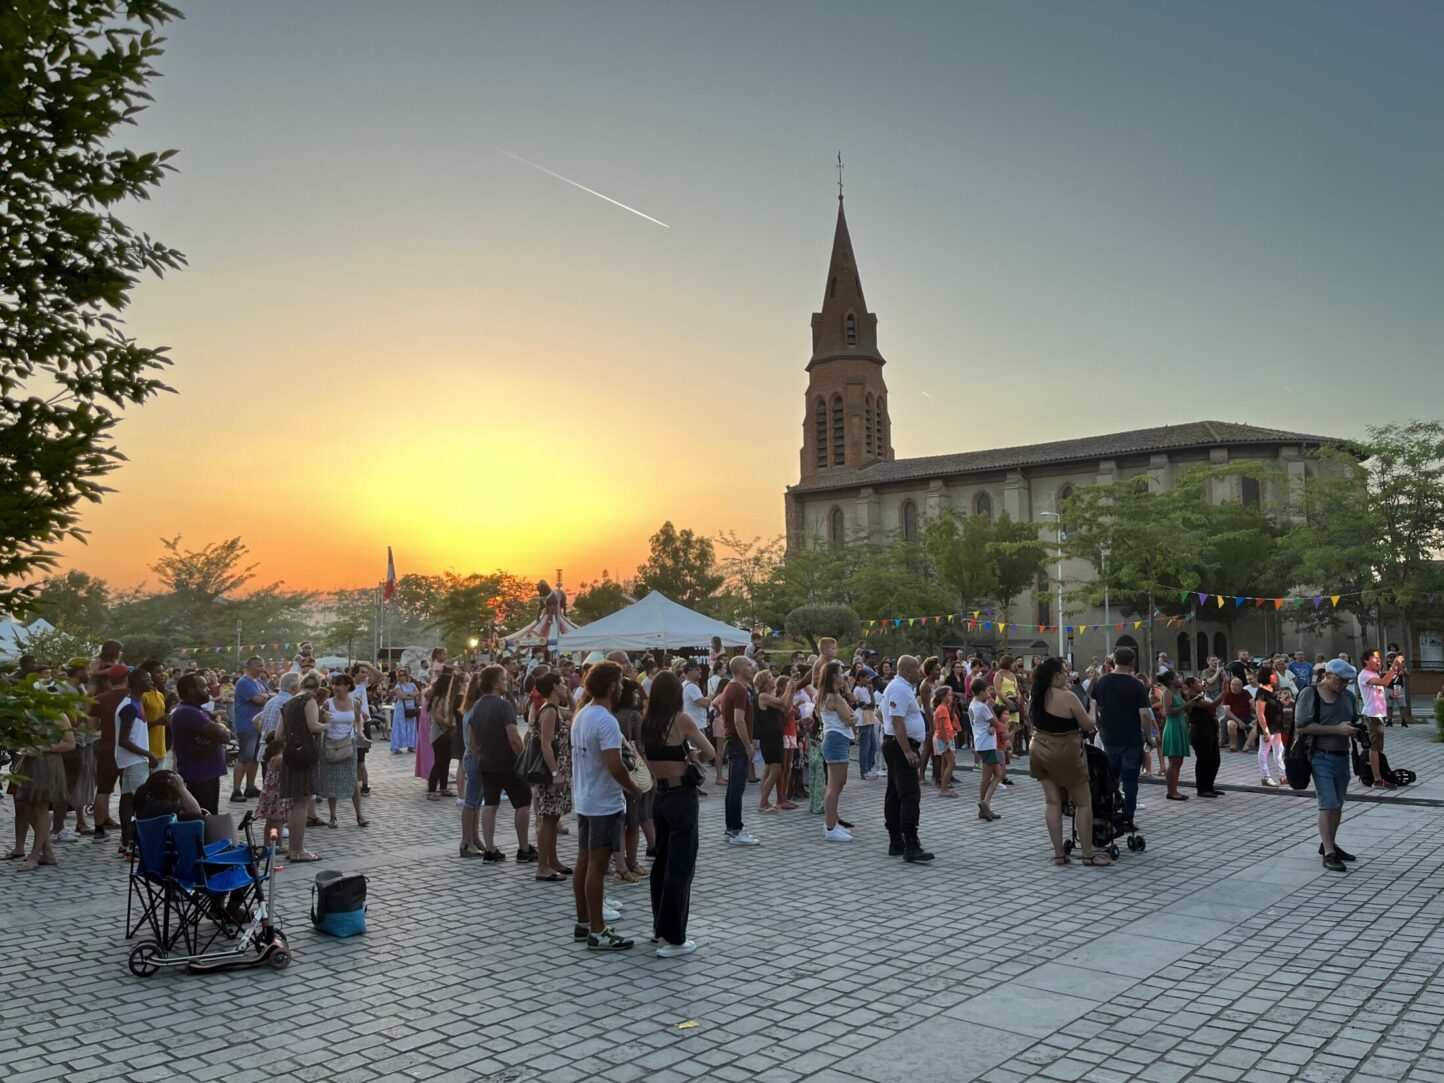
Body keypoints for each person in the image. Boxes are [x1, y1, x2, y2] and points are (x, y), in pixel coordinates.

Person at [570, 661, 645, 950]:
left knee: (584, 862)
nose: (624, 686)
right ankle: (599, 931)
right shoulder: (605, 720)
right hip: (604, 802)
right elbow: (615, 765)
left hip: (586, 799)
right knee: (597, 868)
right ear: (612, 686)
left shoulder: (583, 715)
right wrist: (634, 789)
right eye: (621, 682)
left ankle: (583, 923)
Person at [642, 670, 715, 958]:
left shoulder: (647, 722)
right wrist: (692, 755)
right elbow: (709, 750)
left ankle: (660, 926)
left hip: (659, 796)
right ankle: (674, 936)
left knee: (661, 864)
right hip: (681, 795)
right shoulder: (680, 720)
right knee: (680, 866)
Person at [1028, 657, 1112, 866]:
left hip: (1039, 747)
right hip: (1065, 750)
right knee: (1083, 802)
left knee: (1052, 802)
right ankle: (1088, 854)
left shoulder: (1036, 695)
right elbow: (1088, 725)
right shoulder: (1068, 697)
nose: (1068, 676)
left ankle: (1059, 853)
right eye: (1065, 672)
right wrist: (1092, 706)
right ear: (1056, 676)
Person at [1296, 659, 1364, 871]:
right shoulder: (1310, 694)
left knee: (1338, 803)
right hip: (1319, 755)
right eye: (1339, 680)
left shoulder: (1349, 697)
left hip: (1342, 756)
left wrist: (1360, 732)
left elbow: (1353, 721)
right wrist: (1337, 729)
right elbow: (1302, 726)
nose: (1342, 685)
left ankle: (1329, 843)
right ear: (1326, 674)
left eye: (1346, 682)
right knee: (1328, 802)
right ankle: (1329, 853)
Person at [463, 665, 533, 862]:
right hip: (508, 763)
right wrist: (524, 760)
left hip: (487, 763)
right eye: (504, 679)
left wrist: (481, 757)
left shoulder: (476, 705)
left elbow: (472, 740)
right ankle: (524, 848)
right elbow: (514, 738)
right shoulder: (504, 706)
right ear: (494, 684)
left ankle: (490, 849)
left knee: (490, 804)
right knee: (523, 802)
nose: (507, 682)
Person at [1090, 647, 1153, 830]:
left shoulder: (1102, 682)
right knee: (1131, 780)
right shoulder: (1136, 685)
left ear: (1114, 660)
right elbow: (1144, 714)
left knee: (1111, 779)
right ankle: (1128, 818)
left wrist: (1099, 726)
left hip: (1109, 737)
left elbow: (1094, 704)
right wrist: (1149, 736)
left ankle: (1107, 814)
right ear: (1132, 662)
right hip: (1131, 738)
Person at [8, 703, 75, 870]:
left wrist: (41, 748)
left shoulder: (58, 715)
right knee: (27, 808)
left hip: (47, 764)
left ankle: (34, 855)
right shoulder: (25, 713)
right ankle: (48, 853)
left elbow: (69, 743)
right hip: (28, 764)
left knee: (40, 809)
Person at [881, 655, 932, 863]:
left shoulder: (900, 687)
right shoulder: (899, 689)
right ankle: (910, 843)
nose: (920, 673)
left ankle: (896, 842)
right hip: (901, 746)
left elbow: (882, 713)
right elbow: (897, 721)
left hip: (895, 743)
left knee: (894, 792)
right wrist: (907, 751)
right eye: (917, 670)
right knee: (909, 794)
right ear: (908, 670)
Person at [278, 672, 327, 862]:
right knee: (301, 805)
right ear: (318, 686)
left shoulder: (289, 703)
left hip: (290, 755)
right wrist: (327, 724)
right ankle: (298, 850)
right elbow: (313, 726)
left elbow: (278, 736)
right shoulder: (309, 700)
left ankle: (293, 849)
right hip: (306, 755)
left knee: (294, 805)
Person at [529, 673, 573, 880]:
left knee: (554, 817)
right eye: (563, 683)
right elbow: (546, 745)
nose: (566, 686)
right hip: (551, 772)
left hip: (559, 770)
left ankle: (553, 860)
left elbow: (575, 711)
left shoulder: (554, 709)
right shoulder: (549, 711)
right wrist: (555, 774)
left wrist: (570, 694)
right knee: (547, 819)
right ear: (555, 686)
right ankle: (542, 867)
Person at [171, 672, 231, 815]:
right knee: (203, 816)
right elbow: (223, 734)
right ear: (191, 690)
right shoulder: (188, 711)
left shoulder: (198, 710)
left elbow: (225, 730)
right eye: (203, 686)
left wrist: (217, 731)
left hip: (207, 773)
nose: (208, 689)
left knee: (210, 815)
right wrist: (218, 734)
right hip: (199, 774)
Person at [115, 667, 160, 855]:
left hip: (134, 760)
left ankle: (127, 841)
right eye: (147, 679)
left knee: (127, 800)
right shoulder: (129, 706)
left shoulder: (136, 702)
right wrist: (148, 754)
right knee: (138, 802)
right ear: (135, 683)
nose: (151, 682)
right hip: (134, 761)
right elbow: (123, 740)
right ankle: (133, 843)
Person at [717, 655, 760, 846]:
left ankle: (731, 828)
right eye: (749, 665)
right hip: (737, 743)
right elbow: (738, 720)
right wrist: (748, 745)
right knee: (737, 787)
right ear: (740, 668)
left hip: (733, 741)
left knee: (733, 788)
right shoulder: (739, 690)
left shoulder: (731, 688)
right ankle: (736, 830)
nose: (752, 668)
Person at [88, 664, 129, 844]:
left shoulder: (100, 698)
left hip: (106, 747)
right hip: (128, 749)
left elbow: (92, 726)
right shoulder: (132, 697)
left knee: (103, 790)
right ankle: (127, 833)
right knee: (127, 791)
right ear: (127, 679)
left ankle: (98, 830)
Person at [817, 660, 857, 840]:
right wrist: (852, 713)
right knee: (835, 786)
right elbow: (850, 719)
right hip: (836, 739)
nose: (843, 676)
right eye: (841, 673)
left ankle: (831, 823)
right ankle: (831, 828)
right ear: (833, 675)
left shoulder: (829, 695)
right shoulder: (834, 697)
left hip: (834, 739)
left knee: (834, 785)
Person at [230, 655, 270, 803]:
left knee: (255, 758)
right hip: (246, 725)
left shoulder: (259, 682)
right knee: (244, 758)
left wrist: (265, 695)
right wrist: (266, 695)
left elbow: (271, 694)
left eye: (262, 665)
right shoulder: (244, 682)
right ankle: (236, 790)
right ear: (250, 666)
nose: (262, 669)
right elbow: (258, 699)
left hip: (259, 725)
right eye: (259, 666)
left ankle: (250, 787)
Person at [1356, 650, 1397, 788]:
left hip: (1378, 714)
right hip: (1372, 715)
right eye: (1375, 659)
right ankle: (1378, 780)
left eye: (1379, 659)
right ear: (1366, 661)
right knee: (1375, 747)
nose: (1379, 661)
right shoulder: (1364, 675)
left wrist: (1391, 697)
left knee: (1377, 747)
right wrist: (1394, 667)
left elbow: (1377, 693)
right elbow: (1385, 682)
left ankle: (1379, 775)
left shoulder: (1374, 674)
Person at [753, 671, 787, 814]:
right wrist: (790, 688)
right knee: (775, 770)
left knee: (768, 770)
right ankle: (762, 803)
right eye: (770, 678)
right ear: (764, 682)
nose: (773, 680)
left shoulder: (764, 696)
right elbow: (783, 703)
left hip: (770, 736)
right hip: (771, 736)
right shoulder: (764, 696)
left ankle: (764, 800)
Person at [969, 679, 1003, 821]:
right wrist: (990, 708)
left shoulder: (973, 704)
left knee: (997, 774)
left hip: (982, 743)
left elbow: (991, 725)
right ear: (981, 692)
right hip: (986, 744)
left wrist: (992, 726)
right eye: (988, 691)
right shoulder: (982, 707)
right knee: (990, 776)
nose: (989, 693)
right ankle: (985, 803)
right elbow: (997, 723)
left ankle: (985, 807)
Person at [1184, 677, 1224, 798]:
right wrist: (1224, 692)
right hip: (1200, 729)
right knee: (1204, 759)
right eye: (1197, 682)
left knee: (1214, 759)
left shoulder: (1201, 694)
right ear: (1191, 684)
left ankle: (1209, 786)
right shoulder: (1192, 697)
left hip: (1209, 728)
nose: (1201, 683)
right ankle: (1202, 788)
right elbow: (1211, 706)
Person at [1157, 670, 1190, 802]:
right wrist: (1186, 705)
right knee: (1174, 762)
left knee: (1179, 761)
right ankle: (1171, 791)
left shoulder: (1176, 693)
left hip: (1179, 727)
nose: (1180, 680)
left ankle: (1175, 789)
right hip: (1173, 728)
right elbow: (1167, 712)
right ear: (1171, 681)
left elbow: (1185, 707)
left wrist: (1187, 698)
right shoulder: (1167, 693)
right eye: (1178, 678)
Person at [425, 672, 456, 800]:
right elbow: (438, 717)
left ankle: (443, 787)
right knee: (439, 762)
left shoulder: (444, 697)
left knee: (446, 761)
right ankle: (431, 790)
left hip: (446, 733)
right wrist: (450, 725)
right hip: (439, 734)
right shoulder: (438, 698)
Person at [1254, 666, 1286, 788]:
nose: (1276, 676)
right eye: (1273, 674)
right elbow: (1260, 713)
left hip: (1276, 726)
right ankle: (1265, 777)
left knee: (1279, 751)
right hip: (1268, 727)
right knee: (1264, 751)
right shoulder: (1261, 692)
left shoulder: (1271, 690)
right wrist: (1265, 731)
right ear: (1266, 676)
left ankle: (1283, 776)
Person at [931, 685, 959, 799]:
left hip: (944, 737)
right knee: (951, 763)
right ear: (943, 697)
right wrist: (947, 742)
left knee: (945, 763)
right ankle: (944, 789)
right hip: (944, 738)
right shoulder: (942, 709)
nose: (951, 696)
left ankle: (944, 786)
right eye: (949, 695)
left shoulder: (943, 707)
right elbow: (942, 727)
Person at [854, 666, 879, 780]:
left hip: (869, 716)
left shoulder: (865, 689)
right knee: (865, 746)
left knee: (873, 745)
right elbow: (870, 704)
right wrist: (871, 693)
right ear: (860, 678)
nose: (868, 680)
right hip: (863, 718)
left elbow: (869, 705)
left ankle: (869, 768)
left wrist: (870, 693)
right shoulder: (858, 690)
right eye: (866, 677)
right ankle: (864, 771)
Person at [390, 667, 420, 753]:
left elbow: (417, 692)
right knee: (400, 727)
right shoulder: (397, 686)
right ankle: (396, 747)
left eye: (404, 675)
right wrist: (411, 696)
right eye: (400, 675)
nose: (402, 676)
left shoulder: (412, 685)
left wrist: (408, 694)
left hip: (411, 707)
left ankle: (411, 745)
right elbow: (401, 696)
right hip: (401, 709)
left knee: (411, 726)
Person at [1221, 677, 1254, 752]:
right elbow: (1227, 711)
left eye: (1236, 685)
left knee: (1259, 724)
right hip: (1233, 717)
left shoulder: (1246, 692)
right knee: (1231, 724)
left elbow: (1253, 704)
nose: (1234, 687)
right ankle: (1233, 745)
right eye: (1232, 684)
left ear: (1241, 686)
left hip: (1246, 716)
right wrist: (1239, 722)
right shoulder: (1227, 695)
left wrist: (1259, 714)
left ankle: (1247, 745)